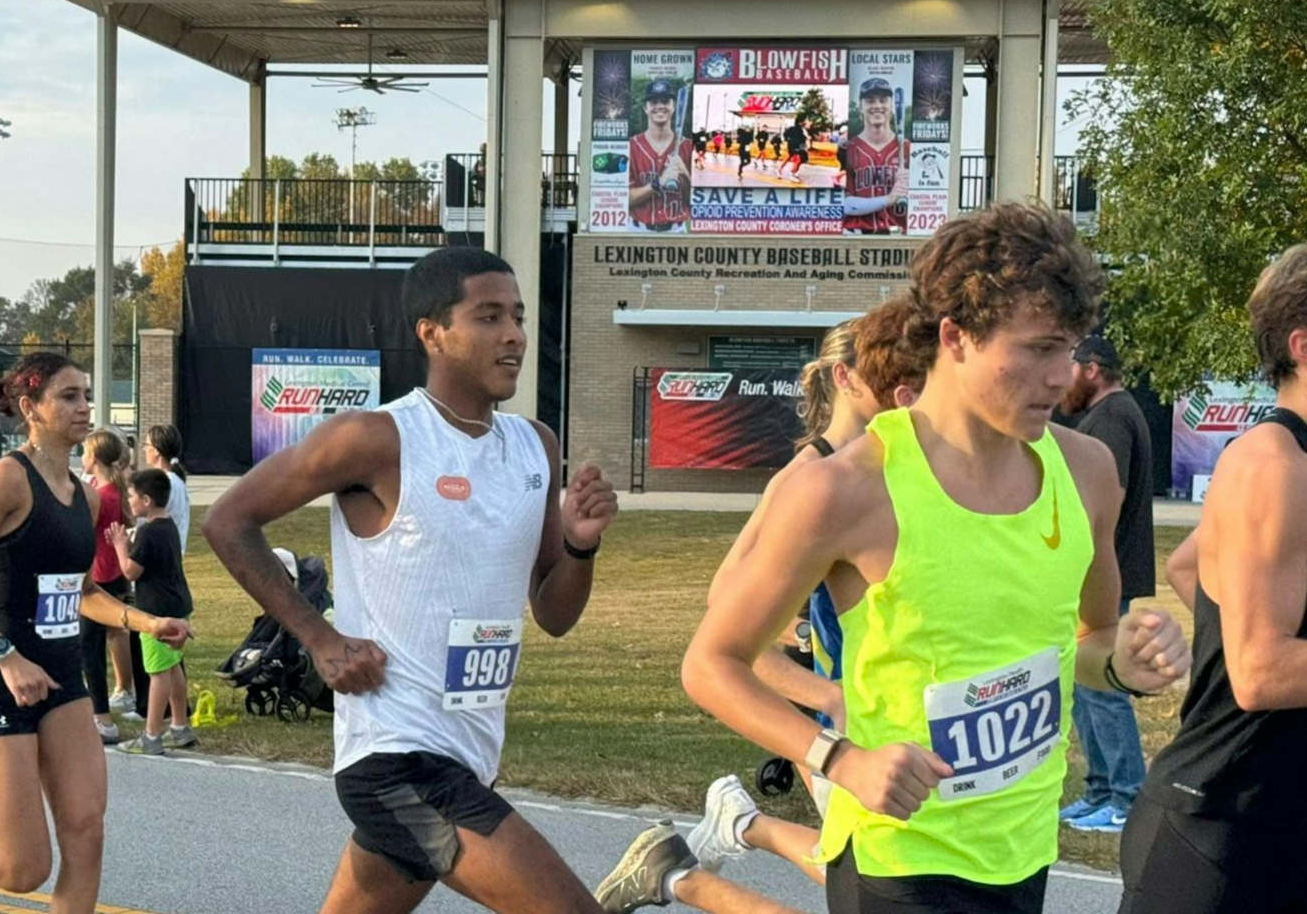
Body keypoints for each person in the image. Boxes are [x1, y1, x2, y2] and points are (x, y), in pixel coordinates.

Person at [683, 203, 1190, 914]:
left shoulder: (1087, 471)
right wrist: (841, 760)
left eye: (1069, 349)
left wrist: (1126, 663)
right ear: (955, 337)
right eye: (1038, 348)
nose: (1061, 376)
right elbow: (712, 664)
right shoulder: (848, 489)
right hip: (901, 858)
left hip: (1022, 846)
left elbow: (1089, 642)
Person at [204, 246, 619, 914]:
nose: (513, 334)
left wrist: (578, 546)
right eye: (487, 316)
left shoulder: (535, 446)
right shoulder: (378, 439)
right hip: (394, 760)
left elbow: (554, 612)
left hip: (469, 754)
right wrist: (319, 637)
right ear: (432, 332)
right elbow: (229, 521)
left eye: (516, 315)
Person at [1118, 237, 1307, 913]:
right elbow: (1258, 675)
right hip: (1215, 837)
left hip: (1304, 828)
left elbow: (1192, 563)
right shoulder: (1273, 469)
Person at [596, 299, 930, 914]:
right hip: (845, 723)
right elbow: (723, 601)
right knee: (876, 888)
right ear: (844, 378)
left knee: (881, 885)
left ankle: (726, 836)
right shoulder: (809, 477)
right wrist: (823, 696)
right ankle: (694, 867)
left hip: (894, 716)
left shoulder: (893, 471)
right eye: (882, 375)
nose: (899, 389)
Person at [0, 351, 191, 909]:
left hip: (63, 679)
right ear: (30, 408)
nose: (84, 406)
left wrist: (146, 621)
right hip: (2, 682)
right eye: (68, 396)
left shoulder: (85, 494)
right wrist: (6, 656)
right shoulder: (6, 479)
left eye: (85, 395)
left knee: (86, 832)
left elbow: (84, 592)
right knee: (23, 869)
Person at [1055, 334, 1154, 834]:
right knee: (1084, 685)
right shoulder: (1107, 413)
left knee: (1103, 689)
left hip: (1105, 572)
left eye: (1067, 364)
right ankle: (1099, 790)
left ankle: (1126, 796)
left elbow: (1105, 499)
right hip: (1099, 571)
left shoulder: (1112, 417)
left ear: (1091, 369)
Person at [108, 467, 195, 755]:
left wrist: (120, 546)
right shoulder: (168, 525)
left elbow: (131, 572)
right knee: (172, 667)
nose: (129, 501)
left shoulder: (147, 533)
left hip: (155, 613)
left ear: (146, 500)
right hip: (177, 605)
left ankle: (152, 735)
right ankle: (180, 726)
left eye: (131, 496)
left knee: (157, 672)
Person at [79, 429, 138, 744]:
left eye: (85, 452)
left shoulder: (101, 495)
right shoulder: (112, 489)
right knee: (109, 637)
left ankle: (101, 717)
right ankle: (120, 692)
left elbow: (82, 531)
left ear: (96, 458)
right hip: (111, 569)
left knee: (89, 649)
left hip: (97, 574)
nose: (82, 458)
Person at [841, 77, 909, 236]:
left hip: (898, 237)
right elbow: (843, 204)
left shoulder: (908, 148)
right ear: (860, 107)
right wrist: (888, 199)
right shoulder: (848, 149)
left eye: (883, 100)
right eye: (870, 101)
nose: (877, 106)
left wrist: (912, 187)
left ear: (892, 106)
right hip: (857, 235)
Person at [629, 80, 691, 232]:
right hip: (638, 231)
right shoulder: (630, 146)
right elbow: (623, 199)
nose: (660, 106)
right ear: (645, 108)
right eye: (653, 101)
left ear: (674, 106)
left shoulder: (688, 146)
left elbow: (699, 202)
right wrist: (657, 184)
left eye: (665, 101)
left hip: (676, 231)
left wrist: (685, 175)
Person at [784, 114, 810, 183]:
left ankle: (795, 172)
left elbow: (803, 139)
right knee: (797, 160)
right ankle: (792, 175)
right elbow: (786, 135)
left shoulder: (802, 130)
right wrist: (789, 140)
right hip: (794, 146)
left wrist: (805, 147)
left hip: (800, 146)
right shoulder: (794, 128)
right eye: (804, 121)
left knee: (801, 160)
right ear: (800, 122)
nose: (806, 122)